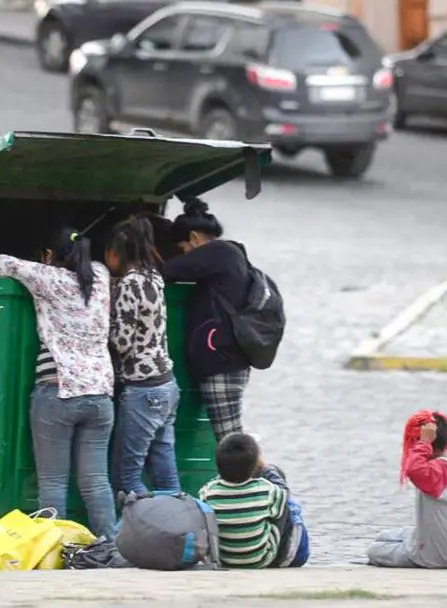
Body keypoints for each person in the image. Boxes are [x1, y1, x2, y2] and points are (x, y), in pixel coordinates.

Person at [0, 226, 117, 539]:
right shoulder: (100, 276)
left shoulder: (48, 278)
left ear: (49, 255)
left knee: (54, 481)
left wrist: (41, 265)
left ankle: (55, 550)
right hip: (100, 394)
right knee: (97, 480)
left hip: (58, 390)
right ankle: (110, 545)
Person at [162, 198, 252, 442]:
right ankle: (266, 477)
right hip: (228, 358)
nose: (184, 254)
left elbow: (167, 272)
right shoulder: (228, 253)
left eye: (183, 248)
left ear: (193, 237)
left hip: (222, 361)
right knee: (230, 436)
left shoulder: (217, 252)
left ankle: (271, 479)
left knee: (230, 440)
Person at [105, 216, 182, 496]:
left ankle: (134, 535)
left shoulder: (130, 283)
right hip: (166, 385)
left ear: (116, 251)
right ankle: (177, 532)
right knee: (166, 478)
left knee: (126, 479)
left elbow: (122, 342)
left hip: (142, 389)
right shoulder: (154, 277)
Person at [367, 411, 447, 569]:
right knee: (383, 536)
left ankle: (413, 549)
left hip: (435, 556)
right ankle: (412, 543)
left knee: (374, 550)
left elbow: (413, 469)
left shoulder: (437, 470)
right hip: (445, 546)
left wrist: (424, 441)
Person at [198, 433, 310, 568]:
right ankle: (290, 556)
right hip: (263, 559)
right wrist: (265, 467)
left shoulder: (208, 492)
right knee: (291, 505)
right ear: (255, 463)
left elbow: (214, 484)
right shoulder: (266, 489)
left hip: (224, 559)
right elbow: (284, 490)